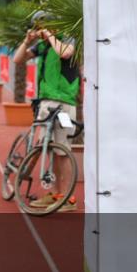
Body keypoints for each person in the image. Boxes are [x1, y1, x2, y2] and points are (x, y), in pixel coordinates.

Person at [13, 11, 80, 212]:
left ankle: (68, 198)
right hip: (45, 103)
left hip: (65, 104)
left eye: (41, 26)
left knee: (63, 150)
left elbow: (65, 53)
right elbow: (18, 59)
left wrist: (50, 35)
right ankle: (56, 194)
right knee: (48, 147)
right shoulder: (42, 46)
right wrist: (27, 42)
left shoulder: (68, 37)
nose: (39, 31)